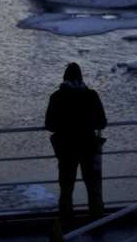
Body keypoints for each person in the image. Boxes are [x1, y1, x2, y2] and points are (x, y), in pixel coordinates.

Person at [45, 62, 107, 223]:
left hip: (65, 150)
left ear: (64, 78)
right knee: (93, 190)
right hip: (89, 148)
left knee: (66, 190)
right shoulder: (91, 95)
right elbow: (102, 123)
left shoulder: (57, 97)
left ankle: (67, 224)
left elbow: (49, 125)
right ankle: (97, 223)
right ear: (81, 78)